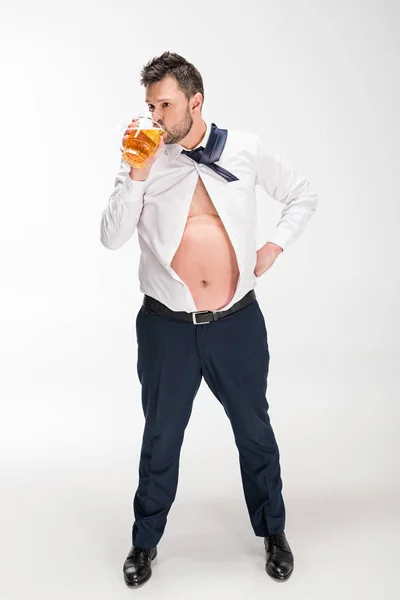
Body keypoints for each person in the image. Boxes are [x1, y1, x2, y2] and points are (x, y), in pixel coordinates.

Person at [100, 51, 318, 588]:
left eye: (165, 105)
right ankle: (145, 542)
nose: (154, 115)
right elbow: (110, 237)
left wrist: (273, 247)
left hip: (237, 325)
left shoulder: (245, 149)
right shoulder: (145, 157)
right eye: (150, 104)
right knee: (161, 440)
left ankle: (273, 531)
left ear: (195, 102)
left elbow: (301, 195)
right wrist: (135, 173)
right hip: (167, 328)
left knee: (255, 433)